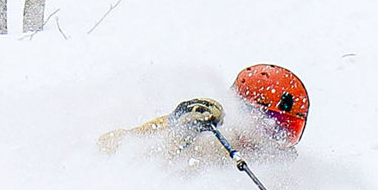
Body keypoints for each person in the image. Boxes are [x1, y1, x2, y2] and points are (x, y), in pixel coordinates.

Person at [97, 64, 310, 160]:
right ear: (246, 111)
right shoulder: (211, 136)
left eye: (289, 130)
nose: (276, 138)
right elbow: (111, 145)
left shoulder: (283, 165)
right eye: (272, 124)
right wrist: (179, 129)